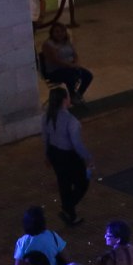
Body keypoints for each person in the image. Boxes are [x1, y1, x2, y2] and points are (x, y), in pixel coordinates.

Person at [39, 85, 91, 226]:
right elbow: (76, 144)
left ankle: (70, 213)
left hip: (54, 153)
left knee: (64, 182)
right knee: (82, 183)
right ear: (64, 100)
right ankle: (68, 208)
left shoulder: (47, 117)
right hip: (68, 156)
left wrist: (46, 155)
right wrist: (87, 157)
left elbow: (45, 138)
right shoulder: (71, 121)